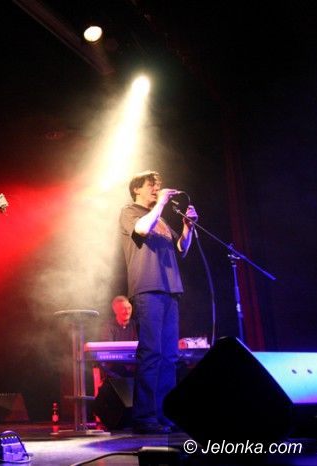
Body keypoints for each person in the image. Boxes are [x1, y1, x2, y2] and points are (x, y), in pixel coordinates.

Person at [119, 170, 197, 435]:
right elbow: (141, 229)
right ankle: (144, 417)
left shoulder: (160, 220)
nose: (156, 188)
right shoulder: (130, 211)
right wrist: (161, 202)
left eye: (158, 185)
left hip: (170, 290)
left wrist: (188, 228)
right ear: (136, 189)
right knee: (151, 353)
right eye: (151, 185)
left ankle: (165, 414)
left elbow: (181, 249)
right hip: (148, 289)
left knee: (169, 356)